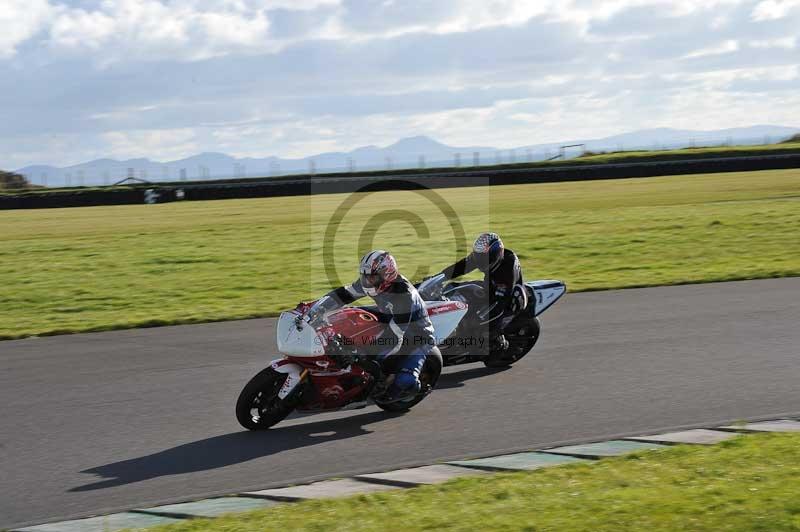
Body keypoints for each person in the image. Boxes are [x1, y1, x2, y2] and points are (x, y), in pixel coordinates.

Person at [304, 250, 437, 400]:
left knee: (404, 380)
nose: (367, 281)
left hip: (416, 336)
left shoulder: (405, 297)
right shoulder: (372, 283)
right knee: (346, 316)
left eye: (372, 277)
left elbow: (394, 338)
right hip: (388, 318)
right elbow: (344, 294)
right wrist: (317, 308)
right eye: (365, 276)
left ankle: (412, 388)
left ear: (387, 274)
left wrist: (361, 356)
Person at [435, 232, 526, 352]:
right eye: (478, 257)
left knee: (480, 322)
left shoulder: (507, 269)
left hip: (507, 296)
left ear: (494, 255)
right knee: (453, 288)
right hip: (489, 286)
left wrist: (478, 318)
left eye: (482, 258)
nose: (479, 261)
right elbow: (462, 266)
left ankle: (498, 340)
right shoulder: (482, 256)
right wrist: (439, 277)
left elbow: (499, 303)